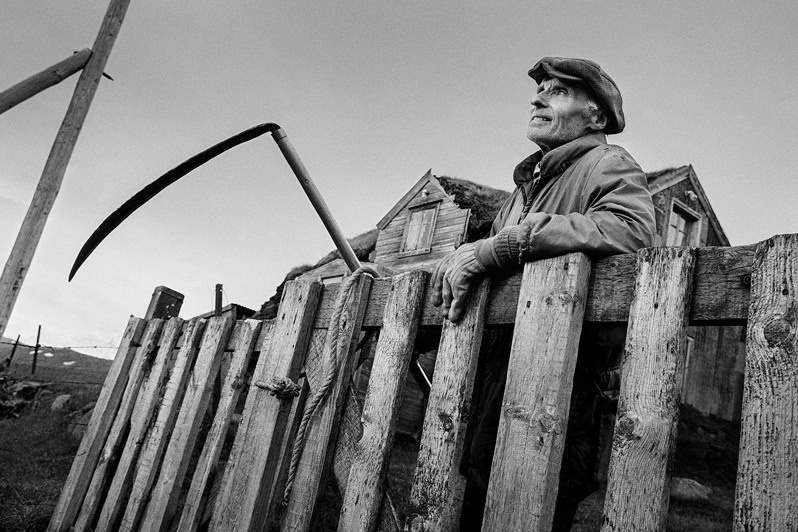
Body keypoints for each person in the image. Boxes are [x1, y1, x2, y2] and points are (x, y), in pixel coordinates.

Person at [431, 57, 657, 531]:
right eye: (540, 91)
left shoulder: (608, 163)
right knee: (477, 503)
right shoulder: (521, 193)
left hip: (561, 383)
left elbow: (630, 231)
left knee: (532, 510)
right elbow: (482, 264)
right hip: (497, 379)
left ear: (595, 117)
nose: (537, 98)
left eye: (557, 92)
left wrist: (508, 244)